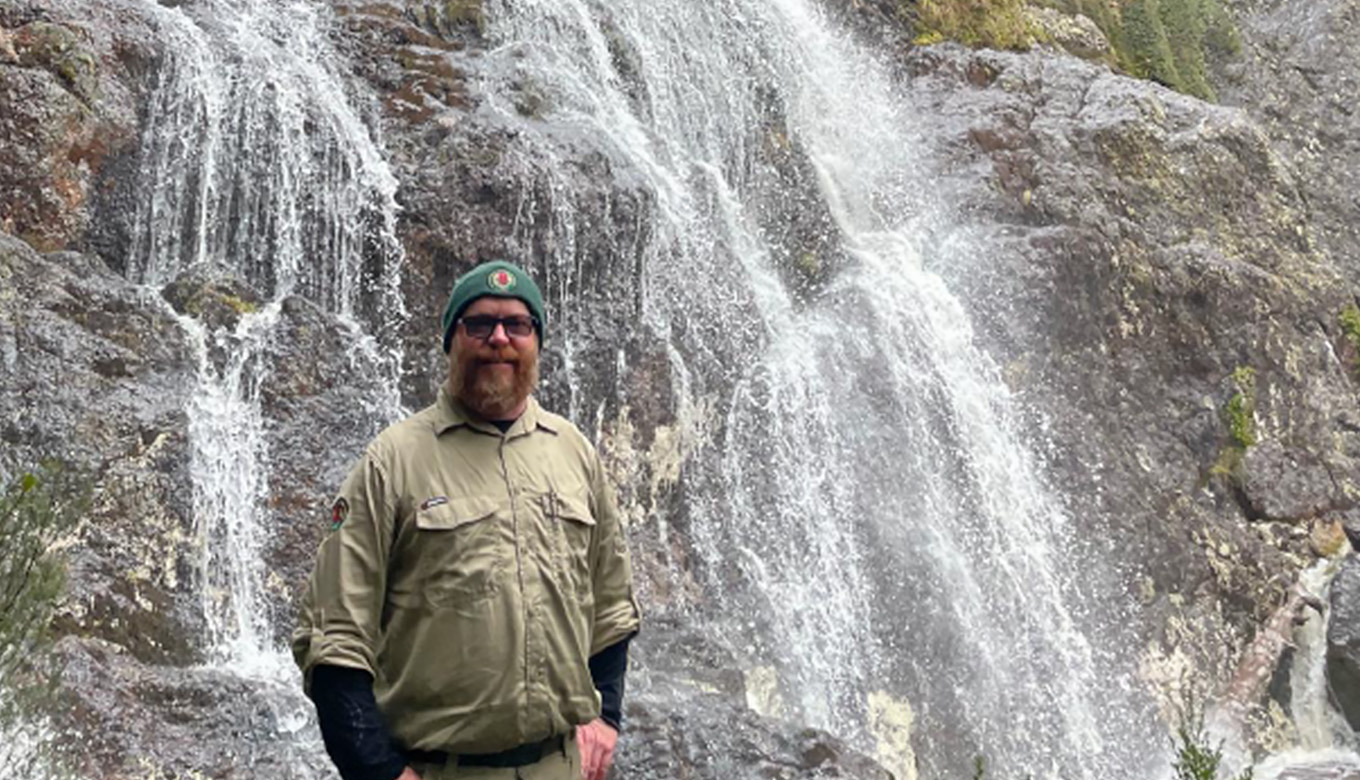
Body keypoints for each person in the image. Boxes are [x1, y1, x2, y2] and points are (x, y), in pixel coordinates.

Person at [292, 260, 641, 780]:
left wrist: (606, 715)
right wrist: (378, 771)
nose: (498, 338)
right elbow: (333, 636)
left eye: (517, 324)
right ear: (451, 340)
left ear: (536, 342)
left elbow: (611, 605)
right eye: (478, 323)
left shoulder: (574, 453)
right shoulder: (392, 461)